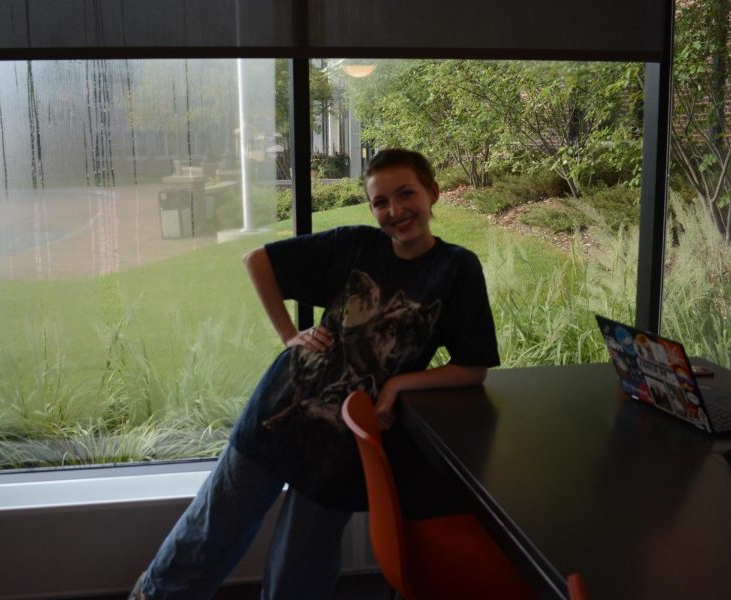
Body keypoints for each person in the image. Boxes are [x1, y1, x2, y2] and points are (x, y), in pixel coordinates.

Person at [129, 148, 500, 600]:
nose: (395, 211)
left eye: (406, 194)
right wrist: (289, 335)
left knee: (302, 563)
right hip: (279, 411)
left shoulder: (456, 269)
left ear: (432, 193)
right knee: (212, 529)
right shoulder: (356, 245)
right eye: (381, 202)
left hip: (345, 439)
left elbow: (473, 367)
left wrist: (398, 385)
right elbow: (258, 261)